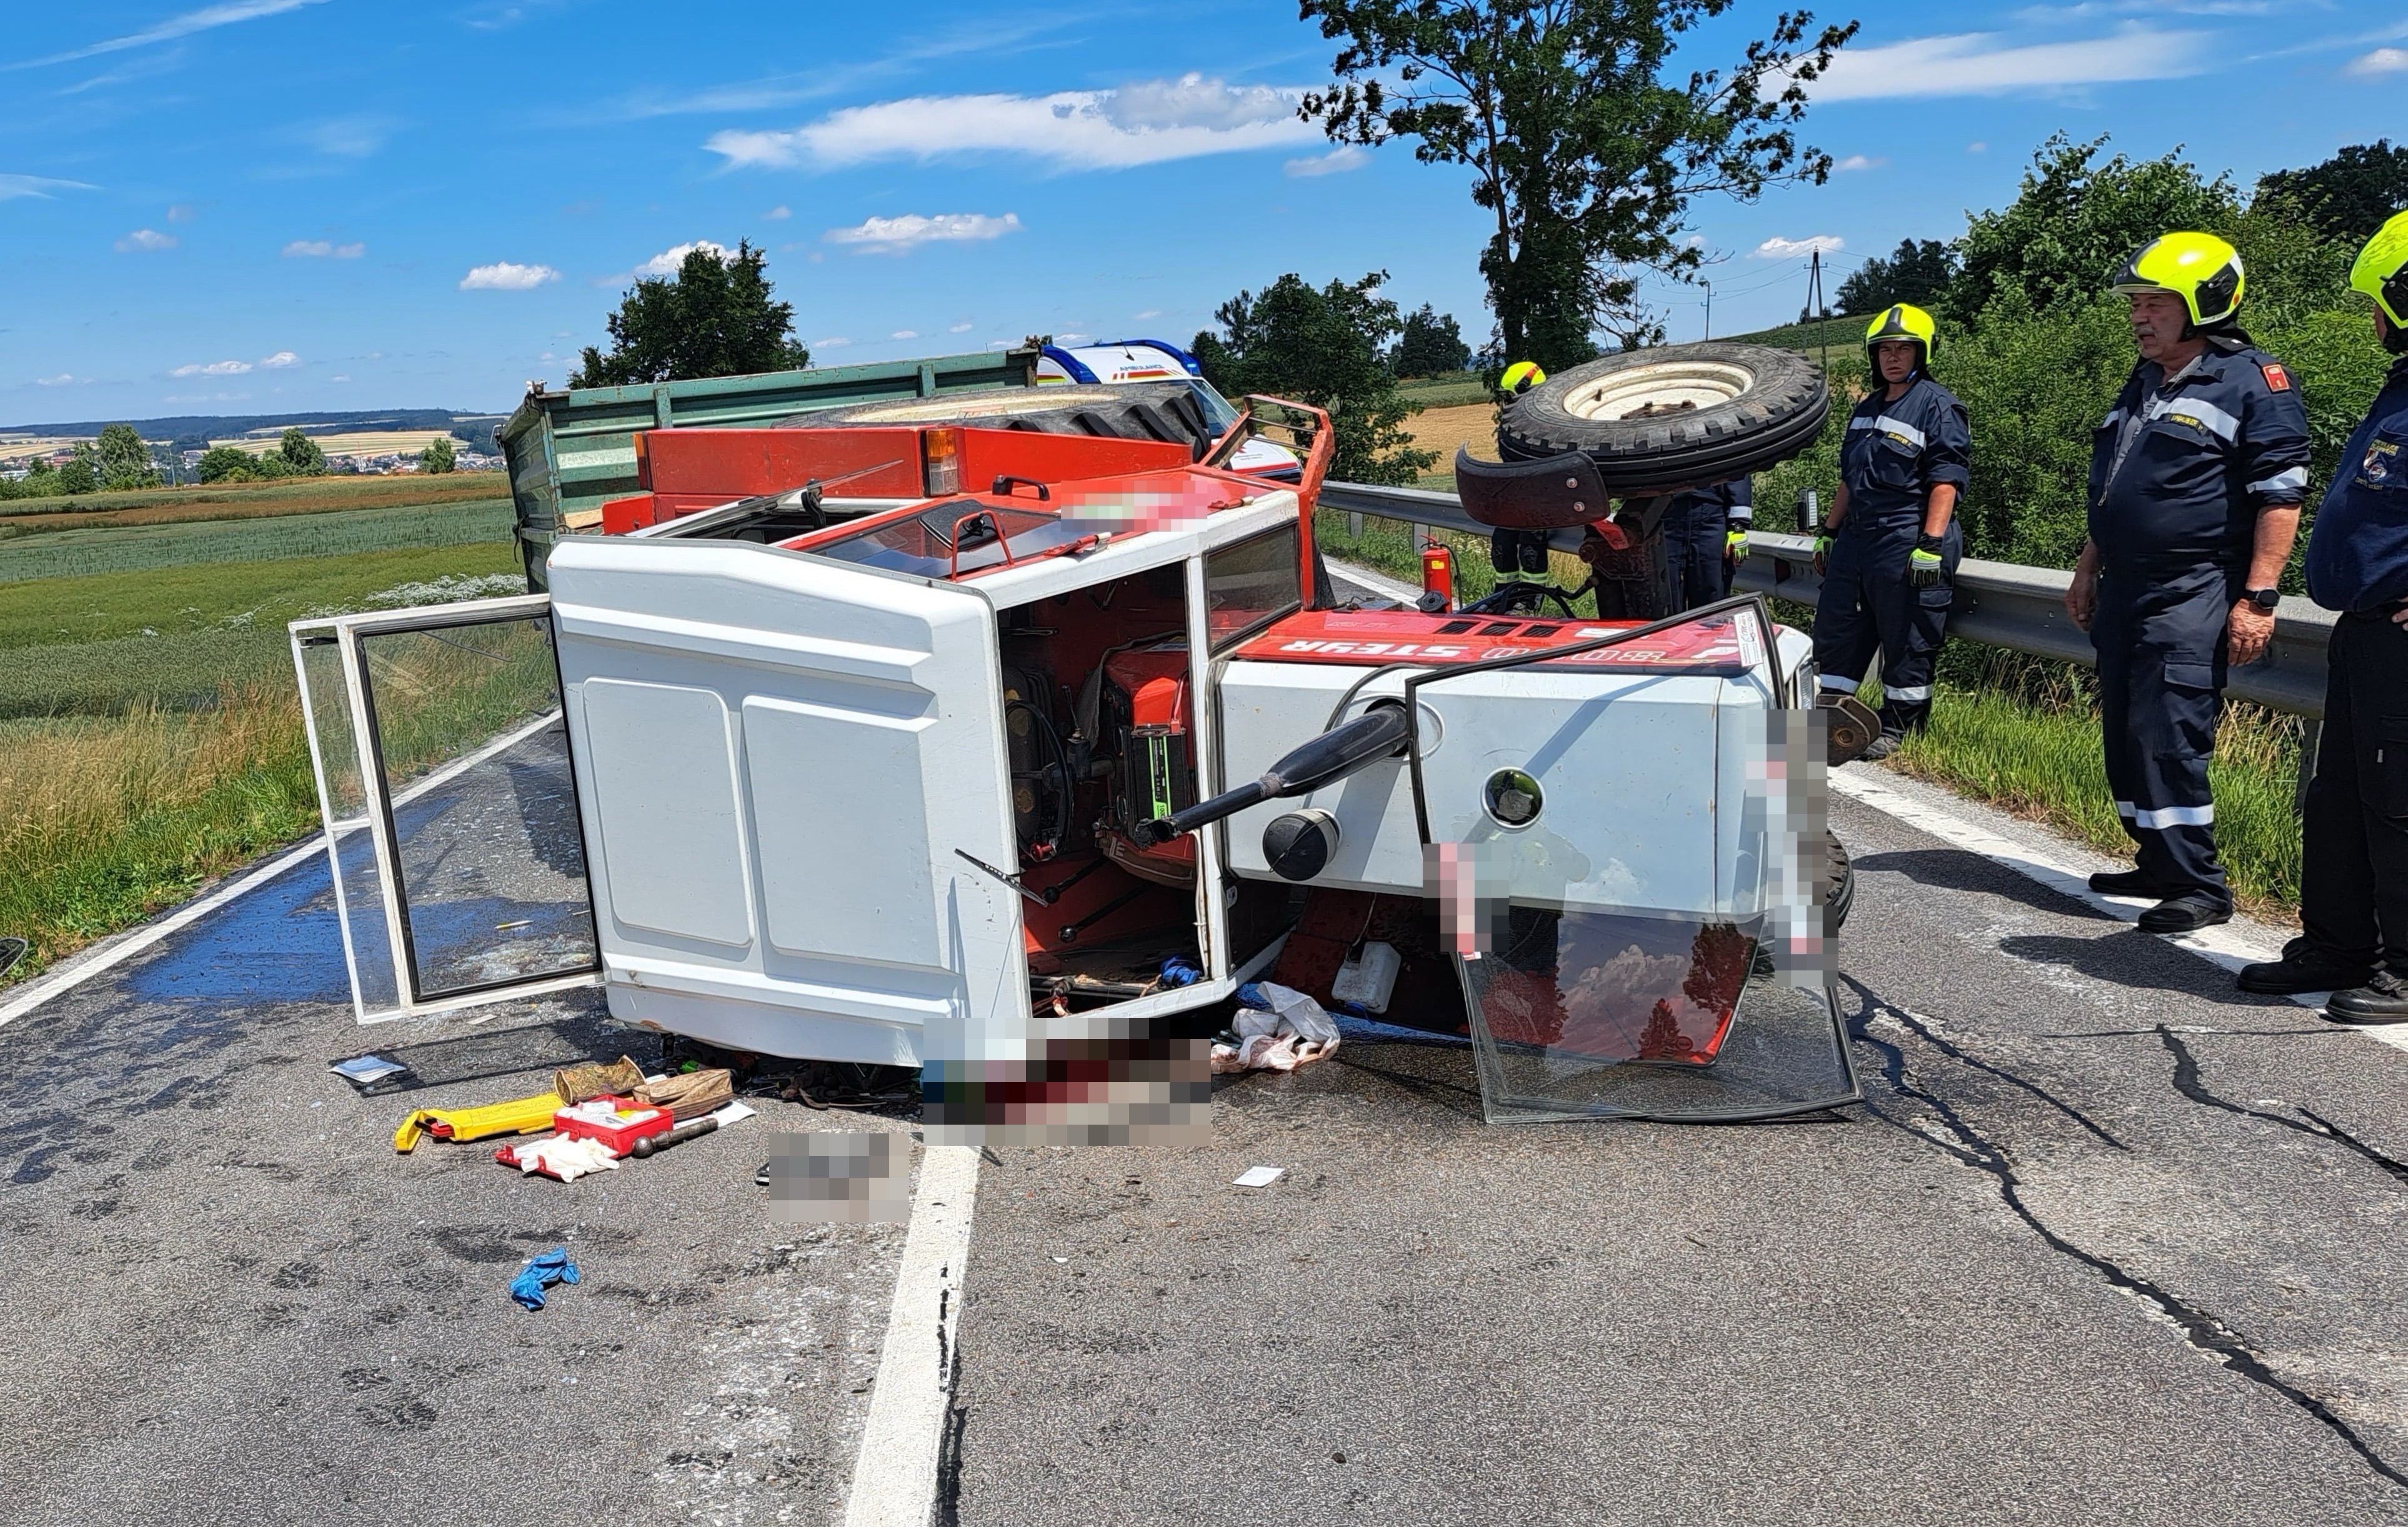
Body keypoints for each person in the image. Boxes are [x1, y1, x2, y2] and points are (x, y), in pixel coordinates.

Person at [2066, 232, 2310, 935]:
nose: (2139, 318)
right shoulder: (2142, 381)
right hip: (2124, 585)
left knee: (2169, 732)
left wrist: (2258, 597)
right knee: (2125, 731)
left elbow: (2280, 498)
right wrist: (2087, 568)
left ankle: (2199, 885)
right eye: (2135, 305)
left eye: (2154, 304)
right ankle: (2156, 861)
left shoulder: (2252, 383)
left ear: (2203, 303)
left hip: (2193, 587)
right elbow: (2112, 487)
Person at [2237, 211, 2408, 1022]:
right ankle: (2337, 945)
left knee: (2398, 802)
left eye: (2378, 299)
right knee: (2339, 795)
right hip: (2365, 633)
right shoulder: (2401, 384)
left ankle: (2403, 968)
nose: (2370, 318)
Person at [1812, 304, 1969, 760]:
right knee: (1837, 630)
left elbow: (1946, 480)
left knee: (1907, 638)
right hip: (1858, 538)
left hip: (1907, 536)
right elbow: (1850, 476)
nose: (1892, 358)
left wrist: (1931, 544)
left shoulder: (1938, 406)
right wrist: (1829, 528)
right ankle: (1829, 718)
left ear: (1922, 354)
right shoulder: (1867, 408)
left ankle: (1899, 729)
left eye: (1903, 349)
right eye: (1884, 350)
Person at [1663, 476, 1753, 610]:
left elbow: (1738, 469)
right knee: (1665, 598)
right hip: (1664, 514)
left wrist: (1737, 526)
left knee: (1711, 602)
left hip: (1711, 517)